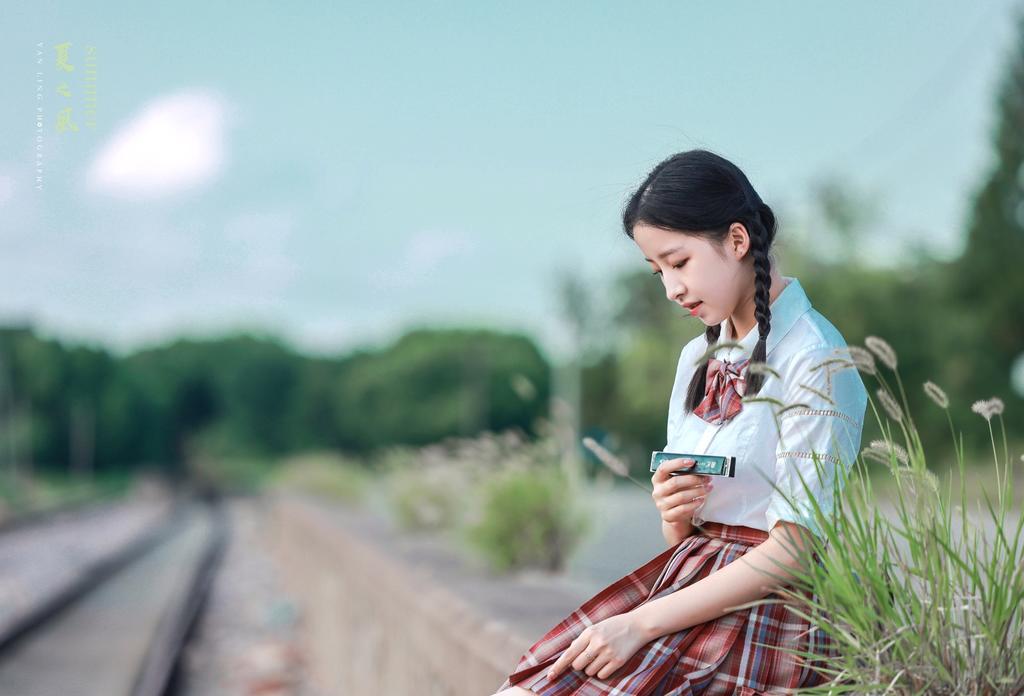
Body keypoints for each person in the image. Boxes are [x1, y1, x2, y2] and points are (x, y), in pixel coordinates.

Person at [491, 149, 868, 695]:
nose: (671, 289)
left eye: (680, 262)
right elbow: (687, 534)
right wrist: (675, 512)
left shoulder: (814, 357)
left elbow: (794, 550)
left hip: (773, 608)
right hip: (689, 584)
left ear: (737, 240)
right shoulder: (697, 358)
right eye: (658, 271)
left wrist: (638, 624)